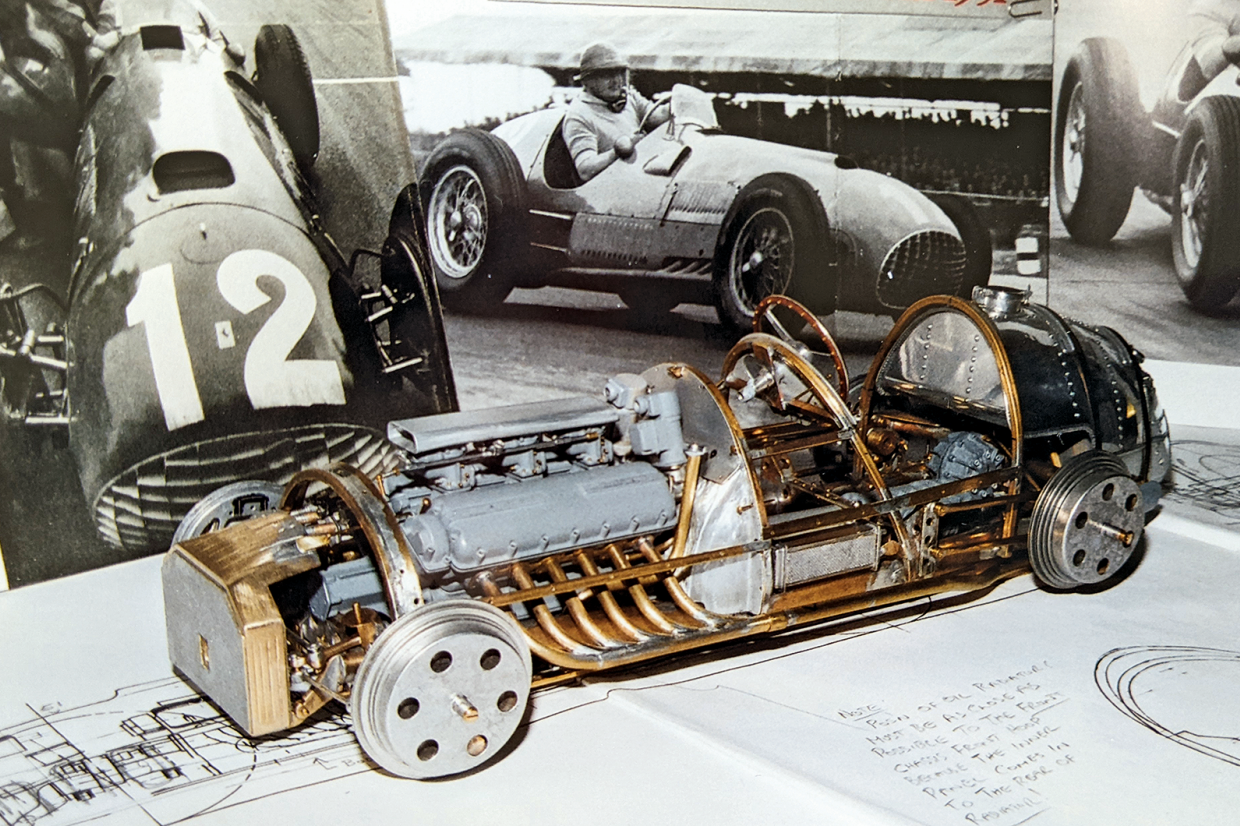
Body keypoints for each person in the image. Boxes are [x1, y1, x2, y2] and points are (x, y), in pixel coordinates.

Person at [561, 42, 670, 183]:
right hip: (613, 186)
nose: (616, 81)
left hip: (643, 176)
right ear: (587, 80)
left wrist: (677, 106)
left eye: (619, 73)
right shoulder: (579, 115)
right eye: (606, 75)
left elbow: (657, 116)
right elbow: (586, 170)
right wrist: (618, 151)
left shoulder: (628, 96)